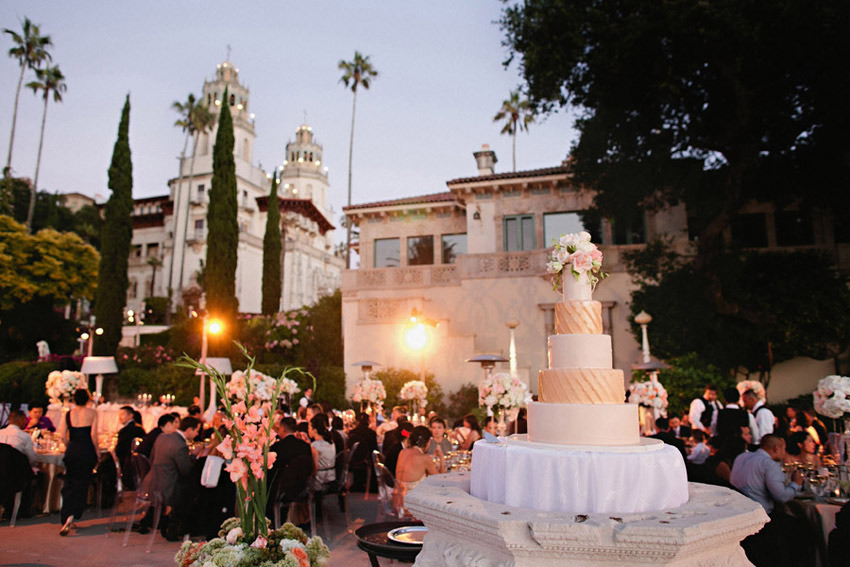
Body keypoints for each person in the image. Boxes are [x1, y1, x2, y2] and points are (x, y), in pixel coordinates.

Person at [730, 435, 813, 567]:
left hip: (737, 512)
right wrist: (796, 484)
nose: (784, 453)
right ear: (776, 449)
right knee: (806, 527)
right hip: (761, 517)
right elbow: (782, 496)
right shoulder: (768, 464)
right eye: (783, 449)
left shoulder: (741, 458)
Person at [136, 416, 202, 534]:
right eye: (197, 431)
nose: (197, 434)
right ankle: (180, 527)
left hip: (153, 484)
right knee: (195, 488)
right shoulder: (180, 445)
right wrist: (194, 455)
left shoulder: (162, 437)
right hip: (169, 489)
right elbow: (185, 470)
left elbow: (152, 458)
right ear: (189, 430)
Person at [59, 388, 98, 535]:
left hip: (73, 449)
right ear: (88, 399)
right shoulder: (92, 413)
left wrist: (70, 446)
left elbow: (63, 435)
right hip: (86, 449)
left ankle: (67, 515)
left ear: (74, 400)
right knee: (82, 483)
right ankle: (74, 514)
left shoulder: (68, 414)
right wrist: (97, 452)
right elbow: (94, 435)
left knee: (69, 482)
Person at [394, 425, 445, 515]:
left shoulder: (402, 452)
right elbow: (441, 481)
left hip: (397, 501)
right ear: (428, 442)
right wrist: (441, 457)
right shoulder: (424, 458)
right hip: (413, 506)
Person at [115, 405, 146, 488]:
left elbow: (120, 450)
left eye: (122, 414)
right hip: (138, 464)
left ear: (130, 415)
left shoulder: (125, 431)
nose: (120, 417)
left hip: (127, 464)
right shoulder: (140, 428)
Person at [346, 412, 378, 492]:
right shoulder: (371, 433)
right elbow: (374, 449)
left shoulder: (352, 432)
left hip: (354, 459)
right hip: (367, 460)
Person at [308, 414, 336, 492]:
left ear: (315, 430)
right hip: (331, 477)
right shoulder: (331, 442)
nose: (308, 430)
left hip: (320, 480)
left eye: (309, 427)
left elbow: (315, 467)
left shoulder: (315, 445)